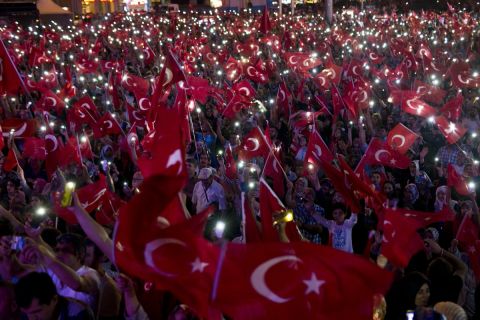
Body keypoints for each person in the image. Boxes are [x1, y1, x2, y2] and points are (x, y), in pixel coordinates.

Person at [22, 233, 101, 313]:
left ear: (79, 255)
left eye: (65, 250)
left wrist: (46, 256)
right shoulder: (52, 270)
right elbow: (20, 272)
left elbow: (77, 285)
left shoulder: (92, 274)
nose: (59, 254)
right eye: (57, 250)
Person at [15, 272, 94, 320]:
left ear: (54, 300)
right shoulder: (25, 314)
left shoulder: (78, 314)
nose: (33, 318)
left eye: (37, 311)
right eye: (28, 313)